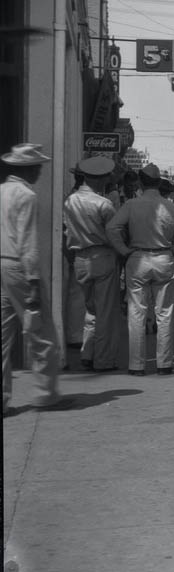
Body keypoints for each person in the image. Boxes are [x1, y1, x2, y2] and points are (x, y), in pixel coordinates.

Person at [1, 144, 72, 413]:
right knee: (41, 333)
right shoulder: (26, 196)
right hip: (19, 268)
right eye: (38, 167)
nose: (40, 171)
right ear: (28, 169)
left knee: (3, 335)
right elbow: (27, 242)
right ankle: (46, 394)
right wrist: (33, 282)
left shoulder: (1, 191)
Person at [107, 163, 174, 376]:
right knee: (165, 313)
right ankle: (164, 364)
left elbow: (112, 227)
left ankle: (137, 365)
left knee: (136, 313)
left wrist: (123, 250)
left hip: (138, 258)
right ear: (158, 183)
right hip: (164, 258)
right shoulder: (171, 207)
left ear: (141, 182)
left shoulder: (132, 205)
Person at [62, 155, 122, 372]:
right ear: (99, 179)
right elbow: (115, 235)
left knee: (90, 308)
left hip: (79, 258)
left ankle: (87, 353)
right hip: (102, 257)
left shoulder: (69, 201)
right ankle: (103, 360)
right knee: (106, 312)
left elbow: (65, 232)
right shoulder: (104, 204)